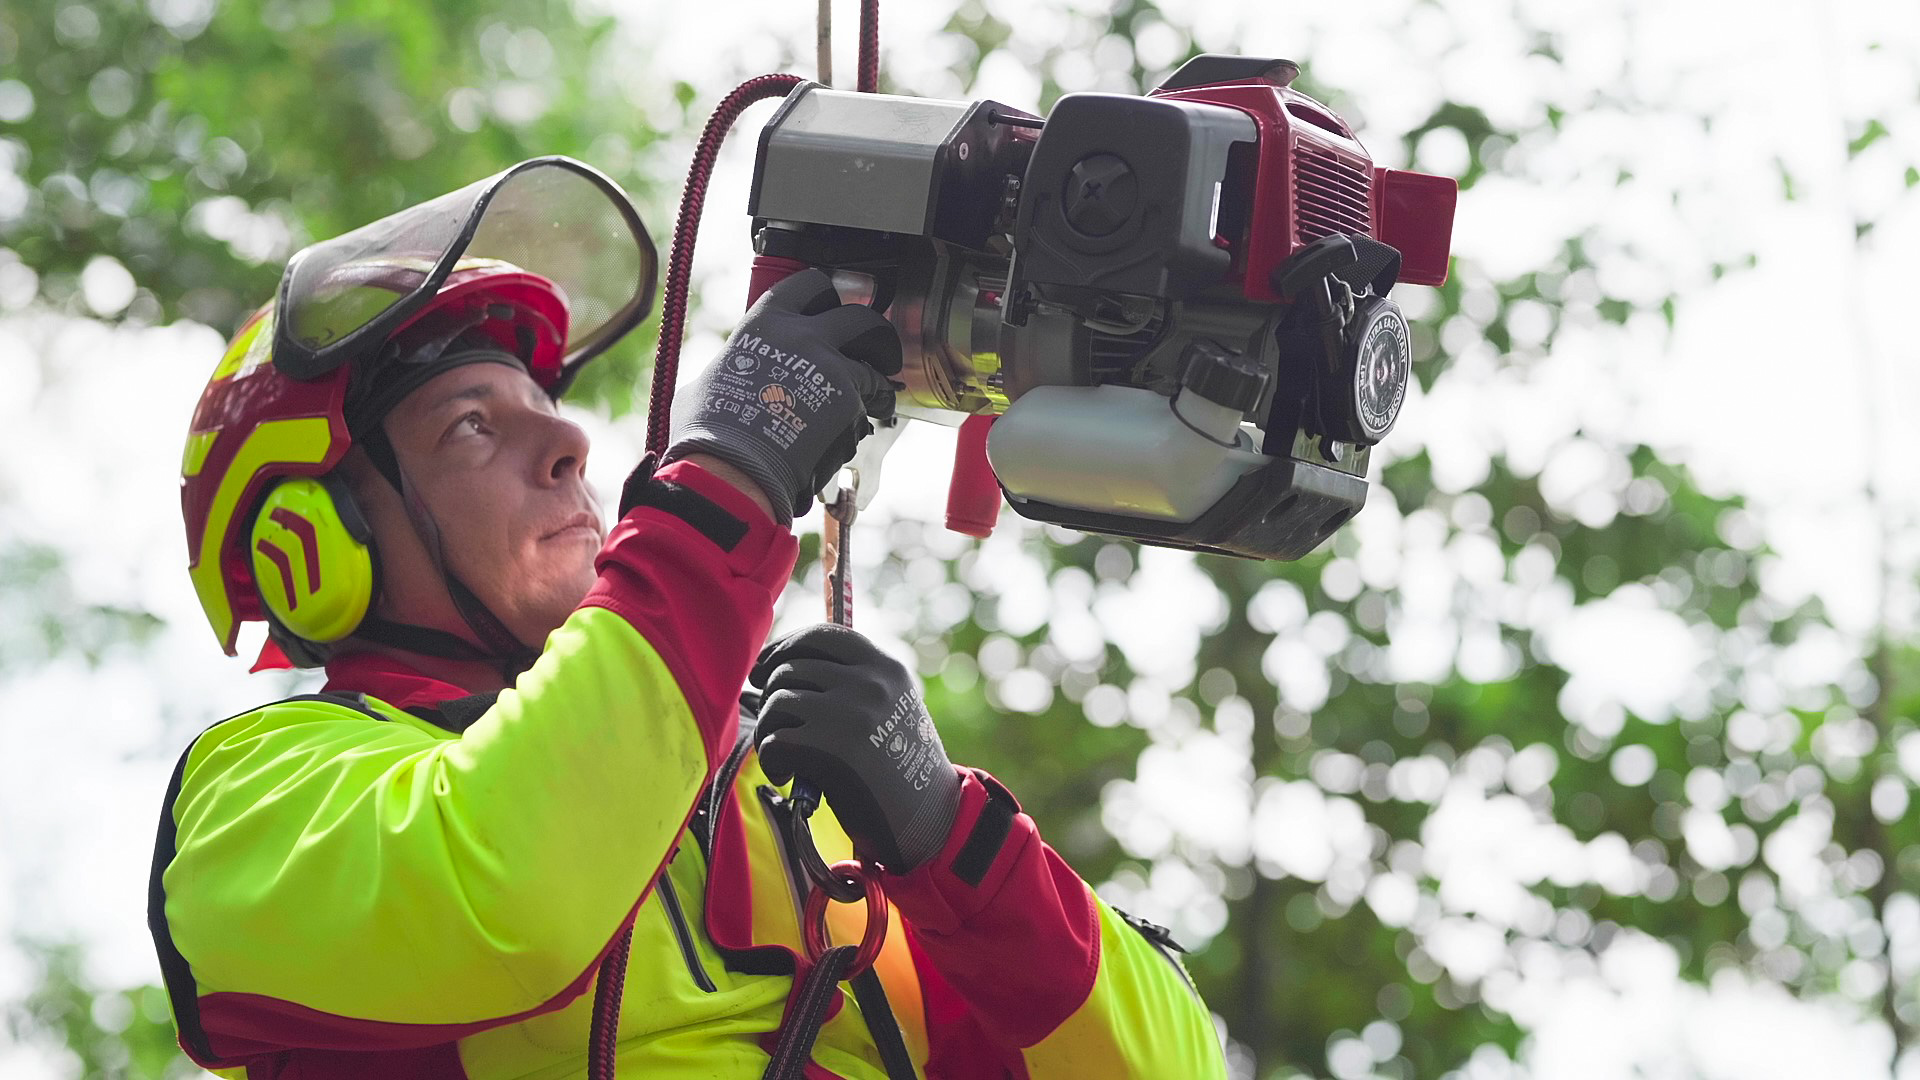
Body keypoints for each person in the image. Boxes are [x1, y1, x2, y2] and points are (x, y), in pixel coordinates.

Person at [150, 158, 1225, 1079]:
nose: (568, 449)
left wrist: (946, 830)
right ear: (313, 548)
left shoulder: (784, 809)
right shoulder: (259, 794)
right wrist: (728, 480)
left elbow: (1173, 1064)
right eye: (470, 428)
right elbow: (509, 895)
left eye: (551, 413)